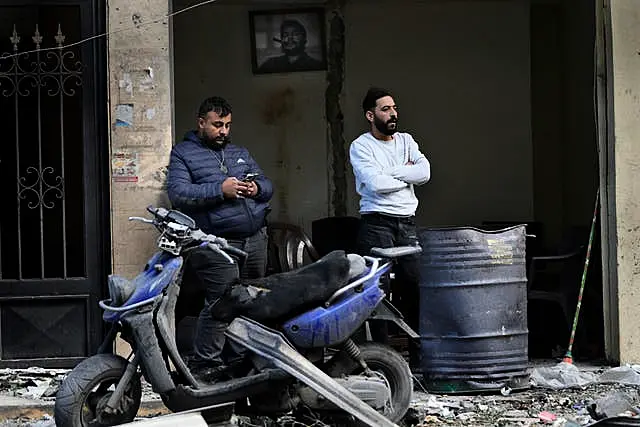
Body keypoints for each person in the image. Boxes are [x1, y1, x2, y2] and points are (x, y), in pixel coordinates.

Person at [167, 96, 273, 382]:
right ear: (201, 123)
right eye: (217, 125)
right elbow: (179, 195)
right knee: (222, 301)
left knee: (251, 300)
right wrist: (219, 189)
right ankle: (206, 366)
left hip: (254, 239)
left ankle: (238, 362)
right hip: (214, 242)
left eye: (227, 125)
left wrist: (255, 188)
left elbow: (268, 185)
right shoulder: (183, 154)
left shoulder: (239, 151)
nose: (223, 131)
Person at [348, 87, 431, 339]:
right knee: (377, 293)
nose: (393, 114)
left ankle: (420, 356)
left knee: (416, 287)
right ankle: (382, 358)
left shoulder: (406, 140)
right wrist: (407, 175)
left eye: (394, 108)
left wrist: (390, 172)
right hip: (376, 224)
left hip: (407, 224)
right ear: (370, 116)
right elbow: (376, 185)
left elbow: (425, 173)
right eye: (385, 109)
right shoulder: (361, 146)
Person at [257, 19, 324, 73]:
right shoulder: (270, 64)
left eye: (295, 34)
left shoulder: (316, 65)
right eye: (285, 35)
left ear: (304, 40)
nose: (289, 38)